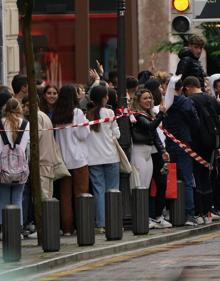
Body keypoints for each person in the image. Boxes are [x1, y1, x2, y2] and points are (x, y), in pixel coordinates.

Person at [52, 84, 90, 235]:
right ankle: (82, 226)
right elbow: (83, 135)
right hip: (78, 158)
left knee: (65, 196)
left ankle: (67, 228)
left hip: (63, 159)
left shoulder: (57, 114)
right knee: (81, 194)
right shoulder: (77, 112)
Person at [130, 89, 171, 228]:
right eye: (145, 98)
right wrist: (161, 114)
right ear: (138, 101)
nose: (148, 100)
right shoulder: (136, 115)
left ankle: (146, 217)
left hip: (148, 152)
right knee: (140, 186)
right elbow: (149, 127)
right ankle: (141, 218)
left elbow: (154, 135)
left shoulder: (148, 114)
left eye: (150, 98)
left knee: (146, 187)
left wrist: (162, 150)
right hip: (138, 151)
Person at [183, 76, 220, 224]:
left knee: (197, 177)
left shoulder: (190, 101)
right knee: (207, 175)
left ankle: (200, 212)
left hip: (196, 142)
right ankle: (208, 212)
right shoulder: (211, 99)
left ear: (187, 88)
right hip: (211, 143)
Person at [163, 79, 200, 226]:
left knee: (171, 179)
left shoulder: (166, 103)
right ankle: (189, 214)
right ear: (182, 88)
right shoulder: (186, 103)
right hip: (184, 143)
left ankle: (173, 213)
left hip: (170, 144)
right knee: (187, 180)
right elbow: (195, 123)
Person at [86, 85, 120, 233]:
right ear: (104, 98)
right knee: (112, 190)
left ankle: (100, 224)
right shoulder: (110, 112)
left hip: (93, 158)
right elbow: (117, 134)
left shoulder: (87, 115)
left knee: (98, 191)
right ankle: (113, 222)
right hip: (110, 156)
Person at [0, 98, 29, 238]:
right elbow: (25, 147)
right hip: (20, 167)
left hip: (3, 168)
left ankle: (3, 229)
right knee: (18, 198)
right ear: (19, 109)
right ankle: (18, 229)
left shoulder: (1, 123)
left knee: (3, 199)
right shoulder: (25, 124)